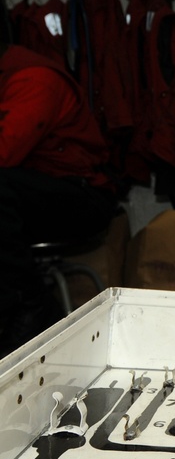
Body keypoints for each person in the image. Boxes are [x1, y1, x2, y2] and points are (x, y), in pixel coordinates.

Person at [0, 42, 118, 357]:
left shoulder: (32, 78)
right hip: (37, 193)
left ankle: (31, 306)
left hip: (82, 197)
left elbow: (5, 150)